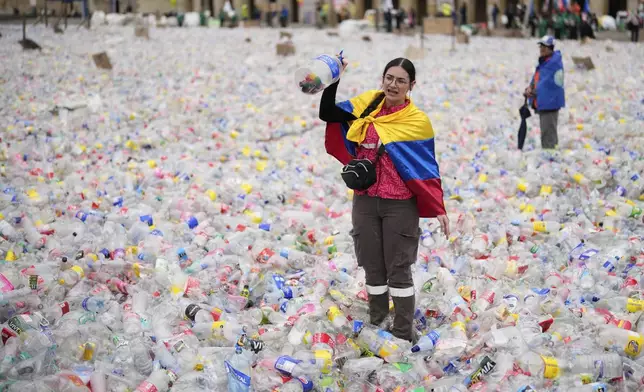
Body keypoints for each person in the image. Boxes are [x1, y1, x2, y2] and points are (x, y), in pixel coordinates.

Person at [319, 57, 449, 342]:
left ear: (411, 86)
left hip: (399, 204)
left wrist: (438, 207)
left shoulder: (417, 122)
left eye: (401, 80)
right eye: (389, 77)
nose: (393, 84)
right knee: (372, 266)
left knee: (399, 269)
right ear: (382, 78)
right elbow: (327, 113)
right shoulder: (367, 105)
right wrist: (333, 78)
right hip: (365, 200)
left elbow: (426, 166)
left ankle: (402, 333)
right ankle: (378, 322)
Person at [524, 36, 565, 150]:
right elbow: (537, 78)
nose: (541, 49)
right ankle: (549, 156)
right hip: (545, 102)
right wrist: (530, 87)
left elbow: (546, 83)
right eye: (541, 46)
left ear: (550, 48)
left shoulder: (553, 63)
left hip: (550, 103)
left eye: (544, 47)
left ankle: (550, 159)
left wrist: (532, 91)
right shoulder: (545, 62)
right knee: (546, 131)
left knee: (548, 133)